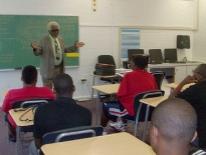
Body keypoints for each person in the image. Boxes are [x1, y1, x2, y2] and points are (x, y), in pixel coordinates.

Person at [30, 73, 91, 154]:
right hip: (76, 152)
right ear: (74, 88)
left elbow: (38, 144)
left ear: (54, 90)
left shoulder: (41, 111)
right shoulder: (86, 113)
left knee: (31, 146)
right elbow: (86, 141)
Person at [102, 55, 157, 129]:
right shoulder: (151, 76)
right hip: (149, 112)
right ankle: (121, 124)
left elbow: (120, 95)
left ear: (134, 64)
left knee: (105, 105)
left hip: (135, 113)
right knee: (127, 100)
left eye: (130, 62)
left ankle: (101, 130)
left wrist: (113, 96)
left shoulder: (128, 76)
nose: (129, 63)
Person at [2, 65, 55, 141]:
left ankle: (13, 135)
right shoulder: (47, 91)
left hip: (21, 125)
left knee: (7, 115)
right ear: (36, 79)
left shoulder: (11, 94)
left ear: (22, 78)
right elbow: (52, 106)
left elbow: (5, 109)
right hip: (42, 122)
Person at [31, 21, 85, 88]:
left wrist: (75, 47)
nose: (56, 32)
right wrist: (35, 49)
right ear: (49, 31)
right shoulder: (43, 40)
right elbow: (38, 52)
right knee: (48, 91)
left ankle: (57, 98)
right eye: (53, 30)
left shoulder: (60, 39)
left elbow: (64, 50)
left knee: (59, 89)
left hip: (59, 69)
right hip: (48, 70)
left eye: (57, 30)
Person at [171, 64, 206, 148]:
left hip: (201, 134)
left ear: (199, 75)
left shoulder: (195, 90)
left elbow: (171, 101)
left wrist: (182, 83)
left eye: (194, 72)